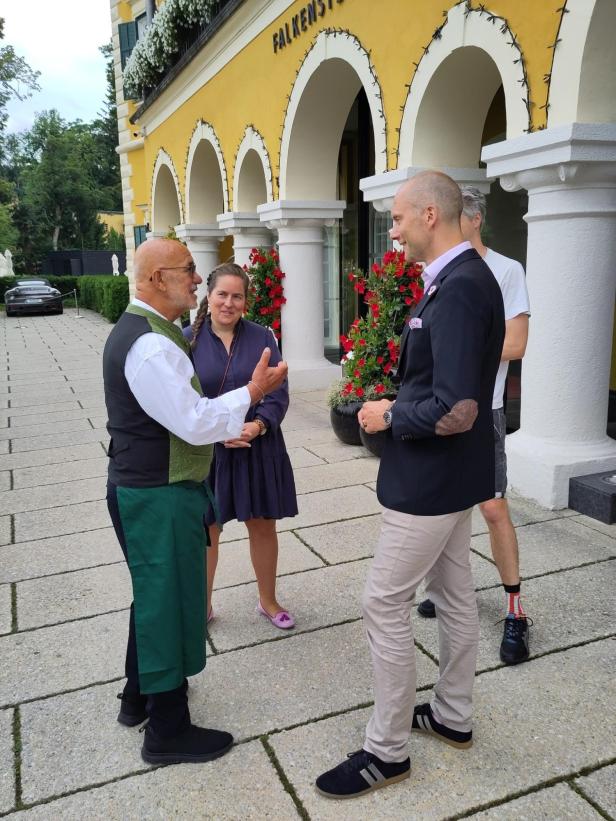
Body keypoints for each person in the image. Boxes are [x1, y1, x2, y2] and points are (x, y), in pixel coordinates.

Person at [315, 171, 504, 799]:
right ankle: (452, 716)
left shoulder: (457, 289)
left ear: (430, 214)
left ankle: (387, 750)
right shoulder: (460, 280)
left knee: (383, 603)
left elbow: (458, 409)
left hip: (430, 481)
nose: (390, 230)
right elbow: (448, 390)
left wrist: (387, 413)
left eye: (396, 219)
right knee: (452, 598)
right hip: (452, 479)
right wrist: (400, 398)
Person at [103, 238, 288, 766]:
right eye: (187, 270)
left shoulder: (148, 332)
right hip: (153, 495)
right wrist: (251, 393)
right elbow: (194, 420)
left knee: (154, 595)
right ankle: (166, 731)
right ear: (157, 279)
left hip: (150, 488)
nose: (195, 279)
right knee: (166, 604)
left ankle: (137, 698)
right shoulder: (151, 344)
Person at [417, 186, 531, 665]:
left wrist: (459, 351)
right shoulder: (440, 273)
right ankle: (440, 587)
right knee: (442, 503)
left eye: (450, 221)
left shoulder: (506, 271)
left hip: (484, 411)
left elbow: (517, 344)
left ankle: (515, 610)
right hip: (439, 409)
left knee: (492, 508)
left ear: (473, 220)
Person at [184, 263, 298, 629]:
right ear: (209, 296)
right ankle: (202, 605)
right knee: (208, 530)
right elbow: (184, 402)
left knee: (263, 526)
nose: (229, 303)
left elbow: (277, 388)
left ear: (246, 301)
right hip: (209, 452)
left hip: (257, 447)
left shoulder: (263, 337)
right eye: (222, 294)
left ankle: (268, 600)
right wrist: (217, 429)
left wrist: (258, 424)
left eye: (237, 296)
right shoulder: (186, 340)